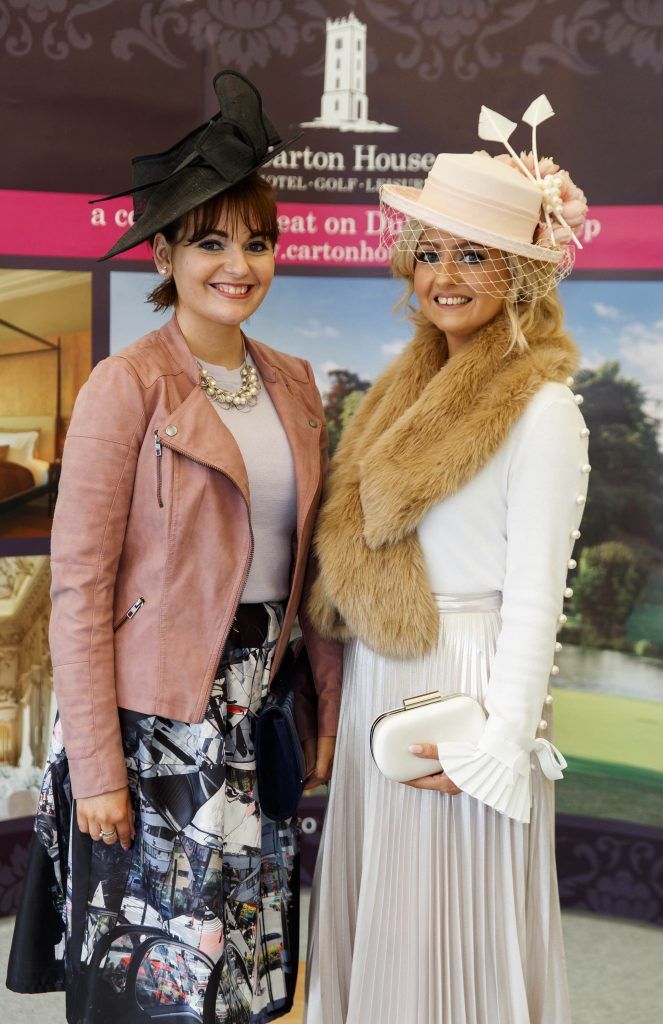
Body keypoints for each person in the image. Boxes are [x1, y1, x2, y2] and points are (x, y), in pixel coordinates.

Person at [7, 71, 339, 1024]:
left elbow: (311, 572)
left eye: (257, 241)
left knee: (241, 974)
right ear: (164, 252)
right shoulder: (128, 385)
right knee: (151, 983)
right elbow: (78, 587)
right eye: (210, 242)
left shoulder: (296, 381)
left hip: (260, 704)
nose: (239, 264)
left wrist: (321, 707)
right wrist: (101, 772)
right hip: (149, 724)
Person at [304, 98, 590, 1023]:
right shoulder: (395, 392)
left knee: (449, 931)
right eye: (429, 252)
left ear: (522, 272)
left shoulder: (544, 411)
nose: (444, 275)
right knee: (383, 920)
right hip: (388, 678)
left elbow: (537, 602)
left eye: (473, 254)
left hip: (466, 684)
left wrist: (496, 749)